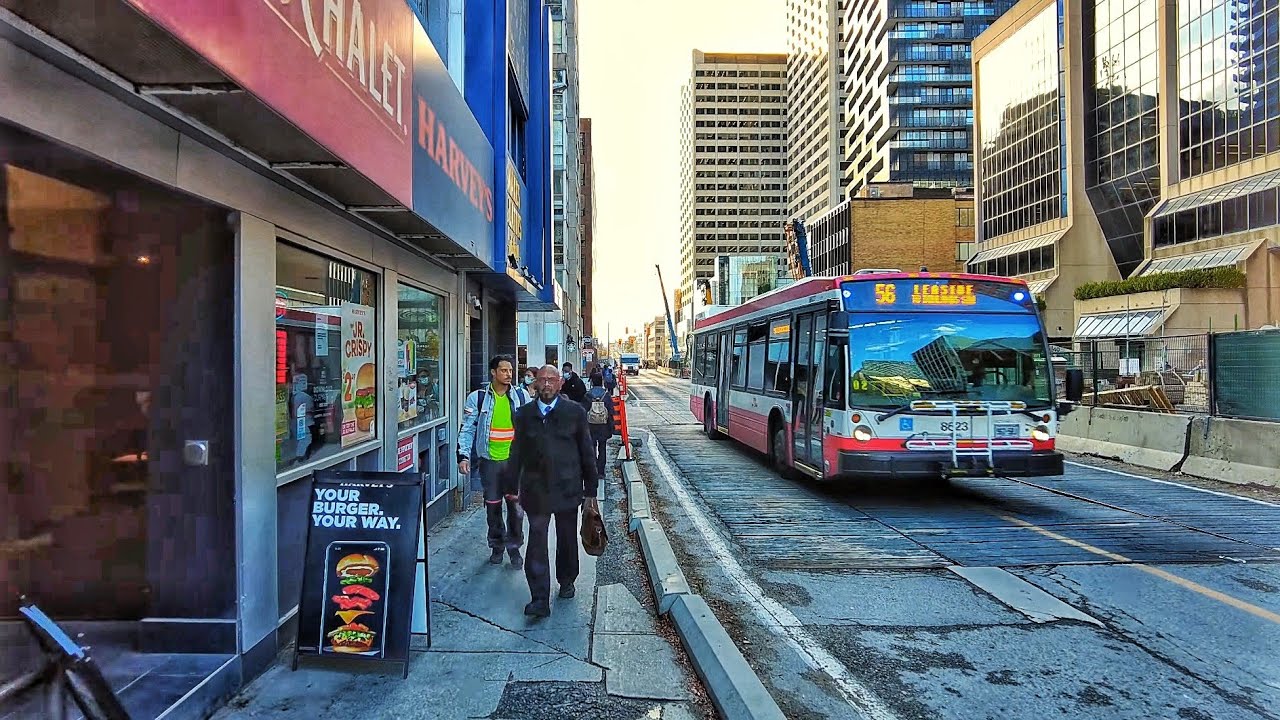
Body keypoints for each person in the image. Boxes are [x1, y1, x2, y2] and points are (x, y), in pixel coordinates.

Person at [508, 365, 599, 618]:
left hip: (568, 488)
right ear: (535, 384)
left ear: (560, 383)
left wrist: (591, 488)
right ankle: (539, 598)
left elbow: (587, 451)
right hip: (535, 490)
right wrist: (510, 484)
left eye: (551, 379)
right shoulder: (524, 414)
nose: (546, 384)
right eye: (542, 380)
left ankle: (567, 579)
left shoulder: (575, 413)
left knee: (567, 538)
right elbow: (516, 452)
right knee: (537, 541)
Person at [457, 355, 532, 567]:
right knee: (493, 507)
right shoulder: (478, 398)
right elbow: (468, 428)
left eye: (510, 371)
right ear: (493, 372)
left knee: (516, 509)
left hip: (514, 464)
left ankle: (514, 548)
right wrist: (463, 456)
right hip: (489, 462)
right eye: (504, 370)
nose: (508, 374)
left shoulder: (521, 396)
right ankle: (497, 546)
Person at [580, 371, 615, 479]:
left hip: (590, 425)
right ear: (602, 382)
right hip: (603, 425)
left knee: (592, 448)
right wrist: (611, 426)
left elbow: (583, 411)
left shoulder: (588, 395)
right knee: (602, 448)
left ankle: (593, 469)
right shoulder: (606, 395)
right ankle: (601, 471)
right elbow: (611, 411)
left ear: (592, 382)